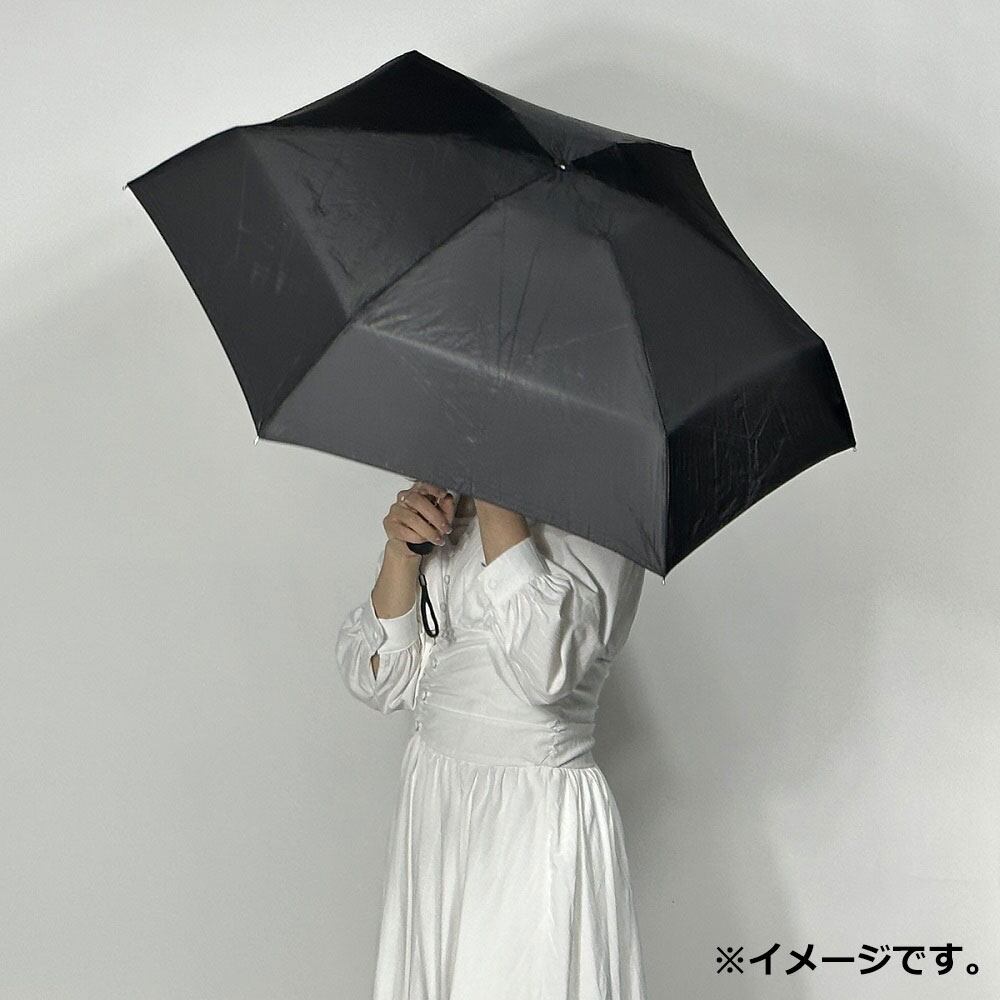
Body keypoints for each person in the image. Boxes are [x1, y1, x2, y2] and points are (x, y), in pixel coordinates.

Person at [334, 479, 648, 999]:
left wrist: (496, 491)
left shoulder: (607, 509)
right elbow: (383, 681)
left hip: (530, 814)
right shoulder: (452, 495)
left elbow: (545, 669)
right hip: (436, 798)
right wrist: (402, 554)